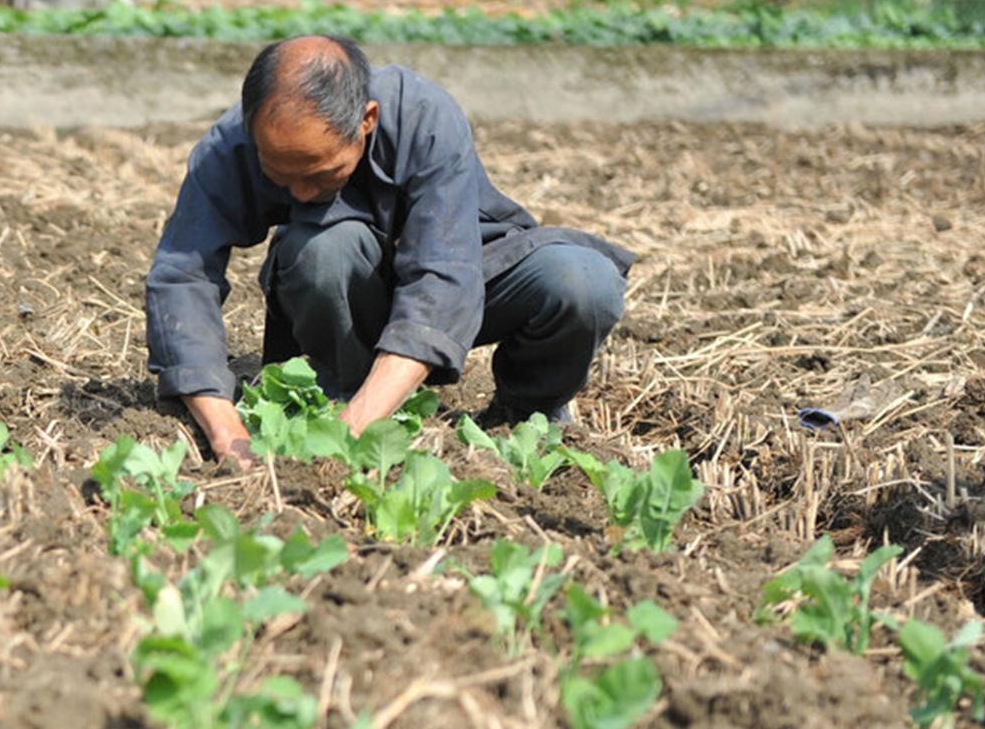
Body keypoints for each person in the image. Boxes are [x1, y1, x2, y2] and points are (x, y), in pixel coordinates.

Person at [144, 35, 635, 469]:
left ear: (366, 121)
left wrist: (353, 432)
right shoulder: (229, 148)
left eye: (318, 172)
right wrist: (228, 435)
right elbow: (182, 278)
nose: (298, 192)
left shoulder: (426, 118)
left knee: (581, 279)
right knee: (325, 247)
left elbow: (442, 278)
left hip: (464, 282)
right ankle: (332, 393)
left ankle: (525, 414)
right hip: (337, 290)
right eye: (279, 174)